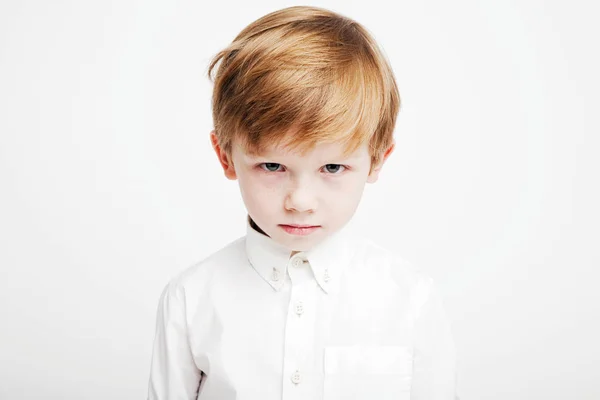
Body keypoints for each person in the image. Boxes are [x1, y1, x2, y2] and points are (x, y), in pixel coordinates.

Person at [147, 5, 457, 400]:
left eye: (332, 167)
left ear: (377, 159)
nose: (300, 201)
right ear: (226, 156)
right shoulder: (190, 300)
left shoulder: (410, 298)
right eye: (273, 165)